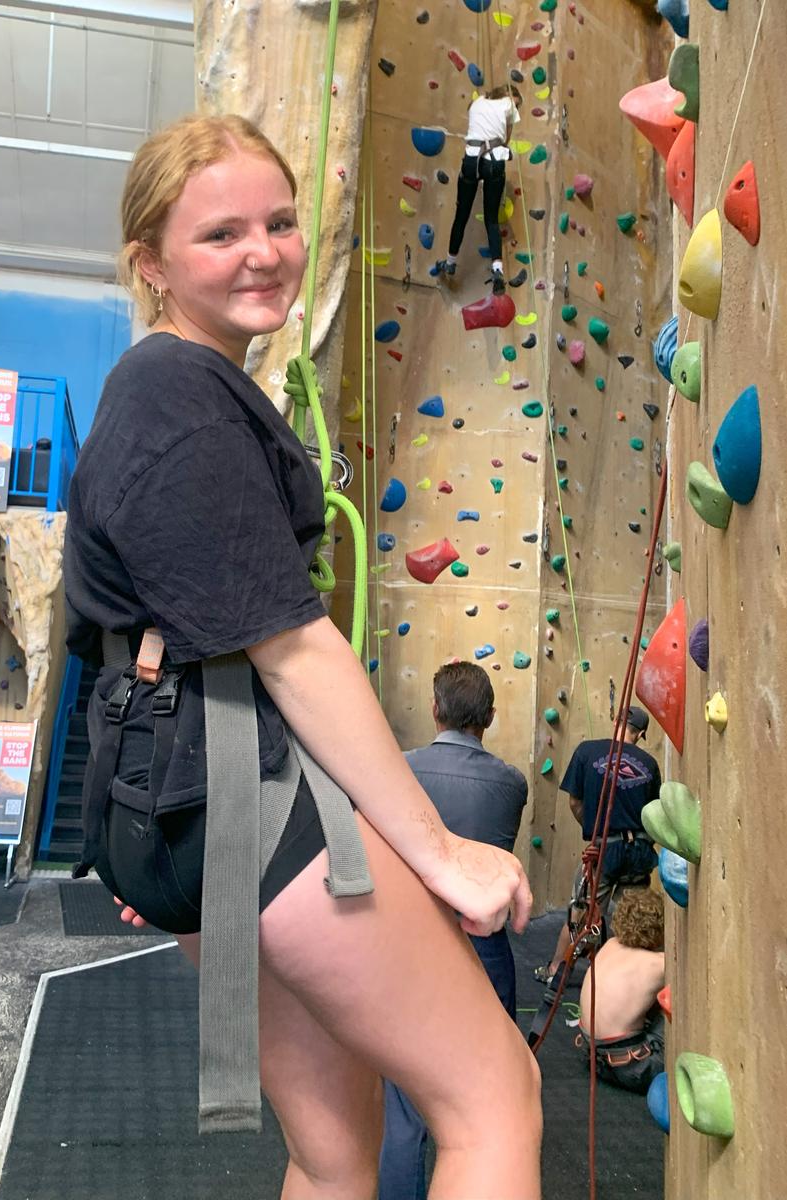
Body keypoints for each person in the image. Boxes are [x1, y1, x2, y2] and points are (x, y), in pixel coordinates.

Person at [63, 114, 541, 1200]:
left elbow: (122, 631)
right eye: (220, 234)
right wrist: (440, 854)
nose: (264, 252)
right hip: (237, 796)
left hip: (192, 803)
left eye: (278, 223)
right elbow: (292, 651)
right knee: (493, 1100)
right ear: (150, 265)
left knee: (334, 1152)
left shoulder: (166, 392)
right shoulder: (179, 395)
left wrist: (147, 817)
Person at [378, 661, 528, 1200]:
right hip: (484, 957)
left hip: (408, 953)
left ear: (435, 708)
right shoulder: (511, 783)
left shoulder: (400, 772)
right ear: (489, 717)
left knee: (404, 1109)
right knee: (486, 1104)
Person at [535, 706, 661, 984]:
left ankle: (556, 970)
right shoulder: (650, 764)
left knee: (582, 912)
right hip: (639, 852)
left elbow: (574, 802)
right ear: (640, 734)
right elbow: (654, 816)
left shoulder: (587, 752)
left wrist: (595, 831)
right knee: (633, 917)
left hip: (604, 849)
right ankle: (627, 980)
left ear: (615, 721)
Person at [431, 85, 523, 293]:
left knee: (461, 215)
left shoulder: (476, 102)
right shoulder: (509, 105)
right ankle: (497, 271)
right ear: (510, 96)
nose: (516, 107)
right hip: (494, 161)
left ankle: (450, 262)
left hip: (472, 159)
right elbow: (506, 140)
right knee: (491, 218)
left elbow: (474, 117)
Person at [575, 887, 665, 1095]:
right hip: (632, 1068)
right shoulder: (659, 965)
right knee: (673, 1000)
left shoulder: (609, 945)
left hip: (591, 1057)